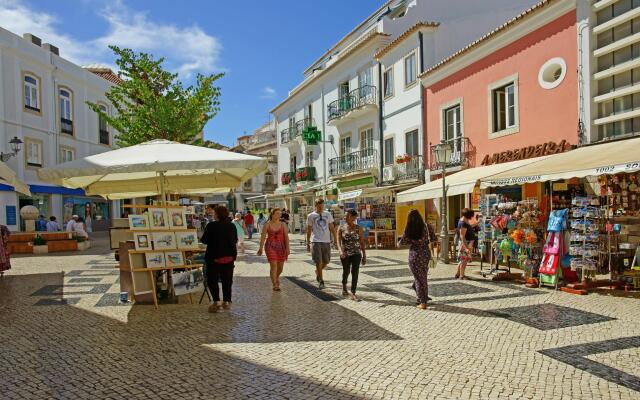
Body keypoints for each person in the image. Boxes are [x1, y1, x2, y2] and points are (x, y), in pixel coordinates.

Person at [201, 205, 238, 313]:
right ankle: (227, 301)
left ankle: (216, 301)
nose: (213, 214)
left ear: (216, 214)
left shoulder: (211, 225)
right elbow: (235, 240)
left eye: (214, 213)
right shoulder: (231, 226)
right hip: (229, 257)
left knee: (212, 280)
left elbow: (204, 240)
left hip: (214, 258)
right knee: (227, 280)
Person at [398, 210, 433, 310]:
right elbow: (433, 239)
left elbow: (402, 241)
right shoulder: (427, 226)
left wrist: (400, 243)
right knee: (422, 276)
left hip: (415, 255)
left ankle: (423, 302)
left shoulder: (409, 228)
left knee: (419, 278)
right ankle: (421, 293)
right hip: (426, 254)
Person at [306, 199, 336, 289]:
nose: (321, 207)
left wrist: (335, 239)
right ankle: (321, 281)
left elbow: (331, 227)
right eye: (319, 206)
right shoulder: (311, 216)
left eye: (322, 205)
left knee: (326, 261)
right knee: (318, 261)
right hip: (316, 241)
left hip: (326, 241)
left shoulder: (328, 214)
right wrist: (307, 242)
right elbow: (309, 230)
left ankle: (317, 272)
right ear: (316, 205)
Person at [257, 208, 289, 291]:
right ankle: (275, 284)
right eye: (277, 213)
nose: (279, 215)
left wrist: (288, 248)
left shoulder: (283, 224)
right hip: (270, 247)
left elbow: (286, 237)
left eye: (280, 213)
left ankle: (276, 277)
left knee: (280, 268)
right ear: (272, 214)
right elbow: (263, 237)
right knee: (273, 265)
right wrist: (260, 248)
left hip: (281, 247)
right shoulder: (267, 224)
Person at [337, 209, 366, 301]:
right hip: (345, 254)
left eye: (347, 215)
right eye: (345, 215)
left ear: (353, 217)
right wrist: (340, 251)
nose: (345, 217)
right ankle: (344, 286)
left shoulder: (359, 228)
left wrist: (364, 255)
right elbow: (338, 241)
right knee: (346, 271)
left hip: (356, 253)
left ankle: (353, 292)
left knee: (355, 272)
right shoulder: (341, 227)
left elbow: (361, 242)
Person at [456, 208, 477, 280]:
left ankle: (458, 274)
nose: (471, 217)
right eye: (471, 215)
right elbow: (462, 236)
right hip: (465, 243)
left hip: (467, 242)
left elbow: (469, 227)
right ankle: (462, 276)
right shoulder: (463, 223)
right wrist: (467, 247)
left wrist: (477, 223)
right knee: (464, 260)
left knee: (462, 259)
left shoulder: (465, 221)